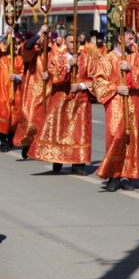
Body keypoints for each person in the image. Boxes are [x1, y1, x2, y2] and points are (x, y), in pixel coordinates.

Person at [27, 33, 94, 175]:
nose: (73, 44)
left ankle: (78, 165)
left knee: (79, 133)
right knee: (60, 131)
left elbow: (96, 79)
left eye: (76, 41)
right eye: (70, 42)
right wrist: (68, 66)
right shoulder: (58, 58)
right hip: (61, 100)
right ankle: (57, 158)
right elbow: (55, 78)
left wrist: (82, 86)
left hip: (80, 103)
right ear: (65, 42)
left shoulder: (87, 59)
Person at [93, 28, 139, 192]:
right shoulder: (107, 59)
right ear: (120, 38)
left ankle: (126, 175)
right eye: (130, 38)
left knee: (131, 139)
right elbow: (98, 82)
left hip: (134, 103)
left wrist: (131, 69)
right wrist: (116, 88)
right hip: (116, 103)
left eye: (133, 39)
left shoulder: (137, 57)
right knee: (116, 136)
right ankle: (113, 175)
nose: (133, 42)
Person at [13, 25, 52, 159]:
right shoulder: (32, 52)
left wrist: (51, 76)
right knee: (30, 120)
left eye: (44, 36)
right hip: (33, 93)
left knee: (46, 122)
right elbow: (27, 47)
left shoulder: (54, 53)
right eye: (40, 37)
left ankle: (40, 148)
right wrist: (39, 32)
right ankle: (27, 143)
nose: (42, 39)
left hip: (49, 92)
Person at [0, 29, 23, 152]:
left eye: (13, 43)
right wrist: (5, 35)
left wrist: (17, 77)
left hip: (15, 92)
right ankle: (3, 141)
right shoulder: (1, 57)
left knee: (14, 117)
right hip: (2, 92)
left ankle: (10, 139)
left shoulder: (19, 59)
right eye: (8, 43)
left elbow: (24, 74)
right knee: (3, 115)